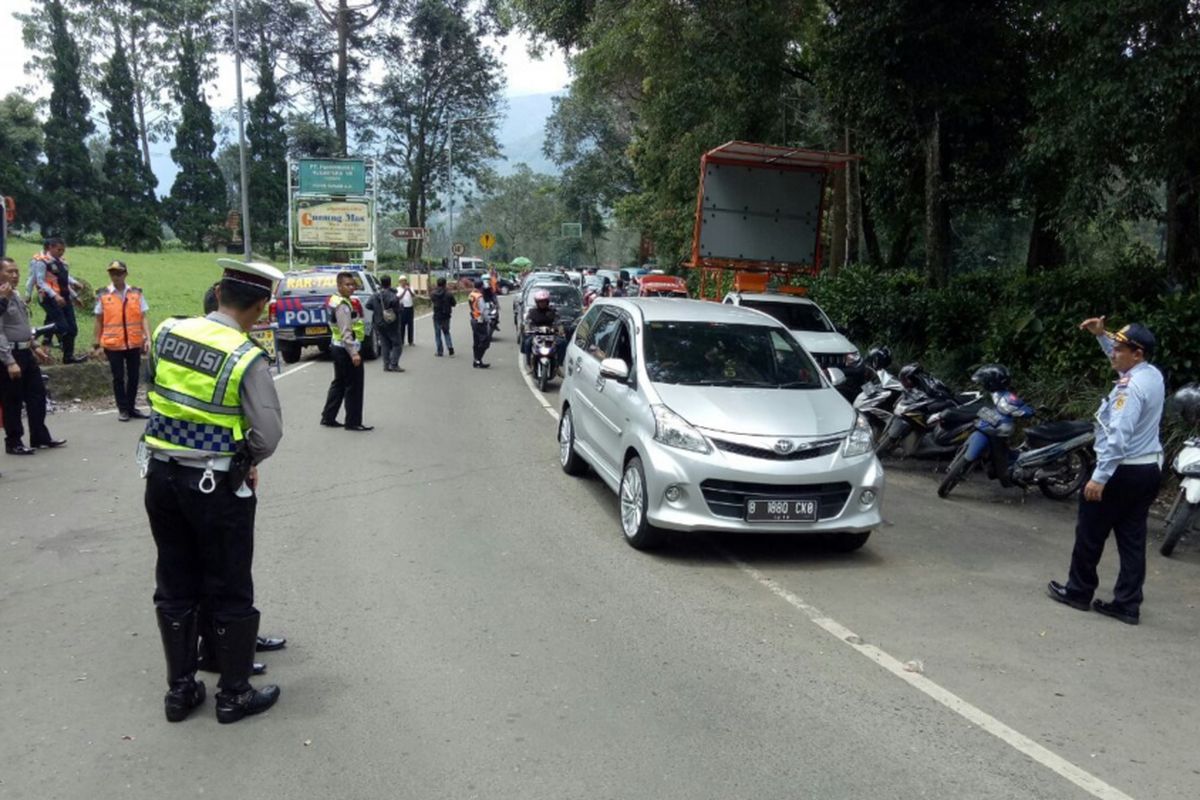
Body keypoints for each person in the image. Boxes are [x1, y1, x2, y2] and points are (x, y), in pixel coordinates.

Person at [141, 258, 284, 723]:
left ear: (218, 292)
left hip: (160, 477)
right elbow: (267, 435)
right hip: (215, 483)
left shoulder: (167, 332)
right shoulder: (246, 355)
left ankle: (180, 692)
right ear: (261, 306)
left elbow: (156, 391)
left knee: (176, 582)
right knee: (229, 585)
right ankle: (233, 694)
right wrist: (244, 459)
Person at [1047, 317, 1165, 626]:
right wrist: (1101, 336)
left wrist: (1099, 477)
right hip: (1147, 470)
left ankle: (1078, 591)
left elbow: (1118, 437)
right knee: (1132, 539)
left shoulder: (1129, 389)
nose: (1112, 352)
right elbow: (1119, 360)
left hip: (1120, 472)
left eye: (1118, 349)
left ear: (1136, 354)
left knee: (1090, 532)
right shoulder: (1151, 375)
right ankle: (1127, 605)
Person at [0, 257, 66, 455]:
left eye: (17, 271)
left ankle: (39, 436)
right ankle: (14, 441)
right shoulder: (2, 298)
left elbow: (22, 326)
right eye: (9, 271)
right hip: (9, 355)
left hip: (25, 352)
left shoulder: (16, 295)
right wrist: (9, 361)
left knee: (37, 395)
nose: (14, 275)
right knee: (12, 400)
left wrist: (34, 346)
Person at [91, 261, 151, 421]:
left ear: (125, 274)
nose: (115, 276)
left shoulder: (136, 293)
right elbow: (98, 320)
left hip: (133, 342)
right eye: (112, 273)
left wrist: (148, 338)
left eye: (119, 273)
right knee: (118, 377)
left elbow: (144, 316)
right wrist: (96, 343)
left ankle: (131, 407)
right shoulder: (104, 294)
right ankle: (123, 409)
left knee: (134, 376)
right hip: (113, 343)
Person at [320, 271, 373, 431]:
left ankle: (328, 417)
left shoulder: (334, 300)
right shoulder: (342, 305)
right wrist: (354, 353)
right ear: (339, 286)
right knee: (354, 386)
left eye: (353, 284)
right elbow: (345, 331)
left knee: (339, 383)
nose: (352, 288)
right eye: (347, 285)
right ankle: (353, 422)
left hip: (337, 347)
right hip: (346, 349)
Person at [30, 237, 85, 363]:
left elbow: (65, 281)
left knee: (72, 329)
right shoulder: (42, 262)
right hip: (50, 297)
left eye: (63, 250)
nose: (61, 252)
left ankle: (68, 357)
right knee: (62, 326)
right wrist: (55, 295)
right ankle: (38, 331)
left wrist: (75, 295)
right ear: (50, 247)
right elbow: (40, 282)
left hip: (65, 297)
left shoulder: (62, 262)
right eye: (59, 250)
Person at [369, 275, 404, 373]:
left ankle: (386, 365)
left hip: (379, 323)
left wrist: (378, 310)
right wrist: (400, 308)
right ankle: (394, 364)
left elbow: (368, 305)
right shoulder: (393, 295)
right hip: (392, 323)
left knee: (385, 344)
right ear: (390, 282)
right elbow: (397, 309)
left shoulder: (376, 295)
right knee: (397, 344)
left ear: (381, 283)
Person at [522, 288, 559, 370]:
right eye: (540, 301)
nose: (542, 303)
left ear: (547, 301)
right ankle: (529, 363)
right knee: (527, 343)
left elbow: (558, 322)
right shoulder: (532, 312)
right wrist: (528, 329)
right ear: (537, 302)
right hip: (536, 335)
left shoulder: (553, 311)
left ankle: (558, 365)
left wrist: (559, 329)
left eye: (544, 301)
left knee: (562, 343)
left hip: (551, 335)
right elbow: (527, 322)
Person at [430, 276, 456, 357]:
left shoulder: (433, 294)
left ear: (437, 284)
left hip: (437, 316)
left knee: (437, 334)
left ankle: (440, 351)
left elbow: (432, 301)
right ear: (445, 284)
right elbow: (454, 303)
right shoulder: (449, 294)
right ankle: (450, 347)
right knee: (446, 332)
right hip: (446, 316)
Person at [468, 278, 491, 369]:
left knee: (476, 341)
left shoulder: (471, 294)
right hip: (480, 320)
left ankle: (477, 361)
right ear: (481, 287)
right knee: (485, 341)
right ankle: (477, 359)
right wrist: (488, 319)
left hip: (473, 319)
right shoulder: (479, 297)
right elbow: (483, 310)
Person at [397, 276, 416, 346]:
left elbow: (414, 295)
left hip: (410, 307)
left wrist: (409, 290)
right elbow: (399, 297)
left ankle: (410, 341)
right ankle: (401, 341)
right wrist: (405, 291)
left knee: (410, 325)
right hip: (402, 308)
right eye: (402, 281)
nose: (403, 282)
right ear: (399, 282)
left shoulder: (410, 288)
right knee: (402, 325)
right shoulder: (398, 289)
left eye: (404, 281)